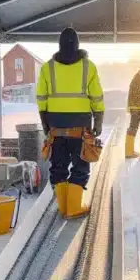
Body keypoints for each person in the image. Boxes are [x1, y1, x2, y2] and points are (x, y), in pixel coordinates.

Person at [36, 27, 104, 218]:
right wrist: (98, 119)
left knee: (58, 165)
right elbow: (96, 97)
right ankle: (73, 208)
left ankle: (63, 206)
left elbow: (41, 98)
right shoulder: (88, 67)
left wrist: (45, 122)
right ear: (78, 45)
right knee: (81, 164)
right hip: (80, 127)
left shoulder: (47, 68)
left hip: (55, 126)